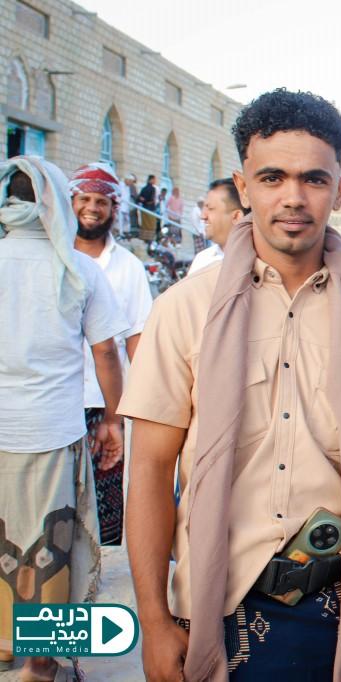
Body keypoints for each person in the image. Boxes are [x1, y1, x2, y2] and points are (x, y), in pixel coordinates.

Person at [120, 88, 341, 682]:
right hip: (214, 606)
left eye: (314, 179)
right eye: (272, 177)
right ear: (244, 185)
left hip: (337, 609)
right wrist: (153, 620)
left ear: (340, 189)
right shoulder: (185, 310)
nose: (293, 197)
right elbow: (149, 469)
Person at [0, 157, 128, 680]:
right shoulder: (77, 269)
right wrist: (115, 421)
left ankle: (5, 644)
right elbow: (106, 354)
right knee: (50, 545)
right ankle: (41, 663)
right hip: (53, 431)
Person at [70, 161, 153, 546]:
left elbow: (137, 340)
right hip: (55, 402)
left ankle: (96, 578)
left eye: (101, 201)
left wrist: (127, 414)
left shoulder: (128, 268)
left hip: (107, 405)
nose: (92, 208)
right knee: (56, 504)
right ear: (71, 202)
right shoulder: (54, 256)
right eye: (84, 199)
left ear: (113, 208)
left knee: (103, 508)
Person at [187, 178, 244, 277]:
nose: (203, 216)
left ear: (236, 216)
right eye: (203, 208)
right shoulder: (202, 260)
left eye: (210, 208)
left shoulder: (262, 261)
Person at [138, 174, 158, 241]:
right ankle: (148, 240)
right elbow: (151, 199)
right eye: (154, 179)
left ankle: (145, 239)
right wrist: (147, 201)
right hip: (150, 209)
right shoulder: (152, 189)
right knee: (151, 225)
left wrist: (144, 200)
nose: (155, 181)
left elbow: (139, 198)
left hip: (144, 208)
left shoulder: (144, 188)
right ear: (151, 180)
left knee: (146, 225)